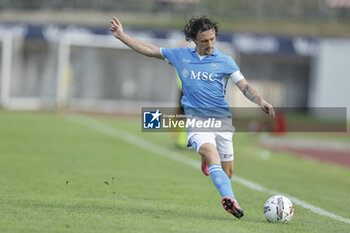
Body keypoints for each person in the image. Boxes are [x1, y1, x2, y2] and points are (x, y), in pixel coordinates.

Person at [110, 15, 275, 219]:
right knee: (211, 152)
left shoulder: (225, 61)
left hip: (222, 121)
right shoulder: (181, 56)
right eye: (205, 40)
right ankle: (231, 201)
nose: (210, 44)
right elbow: (150, 50)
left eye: (213, 39)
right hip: (196, 120)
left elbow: (244, 86)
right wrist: (122, 36)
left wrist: (261, 101)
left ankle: (208, 162)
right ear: (194, 40)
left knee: (228, 172)